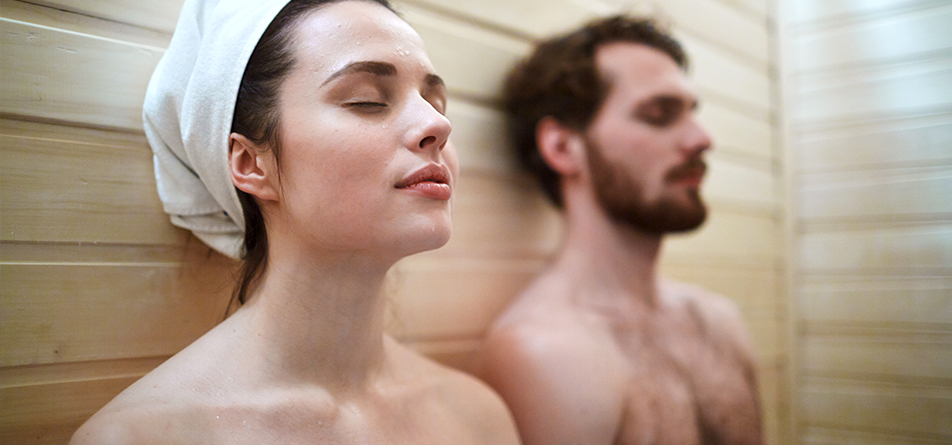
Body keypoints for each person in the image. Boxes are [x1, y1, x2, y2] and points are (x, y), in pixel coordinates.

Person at [71, 0, 520, 443]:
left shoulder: (478, 419)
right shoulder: (143, 437)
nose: (437, 124)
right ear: (250, 163)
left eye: (434, 100)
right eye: (367, 100)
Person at [479, 15, 764, 445]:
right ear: (561, 147)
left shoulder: (720, 322)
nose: (702, 139)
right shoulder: (545, 352)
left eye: (692, 113)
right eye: (659, 115)